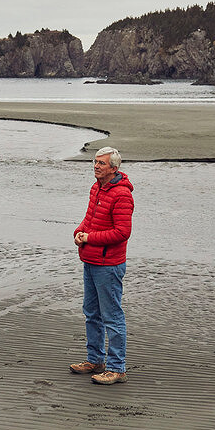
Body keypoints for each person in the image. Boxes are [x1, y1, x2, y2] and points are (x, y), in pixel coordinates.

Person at [71, 146, 133, 384]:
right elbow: (90, 219)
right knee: (91, 313)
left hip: (109, 265)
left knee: (112, 316)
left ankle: (117, 368)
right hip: (90, 260)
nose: (96, 166)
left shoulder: (122, 195)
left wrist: (90, 238)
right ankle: (95, 360)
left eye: (101, 163)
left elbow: (122, 232)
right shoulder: (96, 188)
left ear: (114, 169)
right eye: (95, 162)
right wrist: (79, 232)